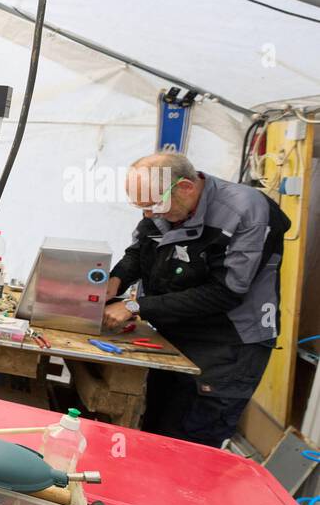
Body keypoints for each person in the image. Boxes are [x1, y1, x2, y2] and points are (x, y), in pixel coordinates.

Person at [105, 151, 291, 447]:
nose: (150, 214)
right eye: (142, 207)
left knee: (189, 444)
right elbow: (140, 251)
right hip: (177, 335)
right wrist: (113, 283)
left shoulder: (245, 211)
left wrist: (134, 306)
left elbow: (225, 292)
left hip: (228, 347)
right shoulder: (165, 206)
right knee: (155, 432)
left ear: (186, 187)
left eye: (154, 205)